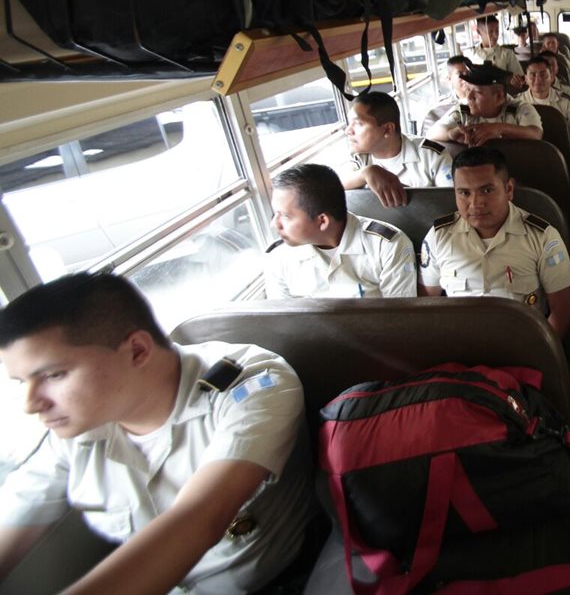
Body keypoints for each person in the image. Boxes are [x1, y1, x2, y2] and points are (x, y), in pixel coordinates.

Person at [0, 273, 313, 594]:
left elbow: (201, 518)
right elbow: (16, 513)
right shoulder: (73, 435)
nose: (31, 405)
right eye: (21, 382)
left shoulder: (253, 387)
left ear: (137, 350)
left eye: (53, 375)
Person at [418, 147, 570, 339]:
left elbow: (562, 312)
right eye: (464, 193)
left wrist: (535, 353)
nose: (475, 203)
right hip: (458, 348)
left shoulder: (543, 237)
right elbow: (426, 302)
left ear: (509, 189)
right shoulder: (438, 237)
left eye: (486, 190)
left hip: (522, 348)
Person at [265, 163, 417, 298]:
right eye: (275, 214)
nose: (274, 224)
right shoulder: (279, 258)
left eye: (285, 216)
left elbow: (398, 317)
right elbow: (282, 321)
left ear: (322, 221)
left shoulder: (387, 246)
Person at [342, 91, 454, 206]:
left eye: (358, 124)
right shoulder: (359, 157)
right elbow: (335, 187)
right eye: (350, 123)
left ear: (388, 129)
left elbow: (452, 202)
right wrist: (366, 173)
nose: (348, 131)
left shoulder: (432, 155)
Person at [426, 62, 544, 146]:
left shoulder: (519, 109)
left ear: (498, 96)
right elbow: (432, 133)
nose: (469, 97)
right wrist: (450, 133)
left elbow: (535, 133)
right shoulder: (463, 110)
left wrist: (499, 128)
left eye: (477, 92)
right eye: (467, 90)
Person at [517, 54, 570, 161]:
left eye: (543, 74)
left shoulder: (566, 102)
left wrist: (565, 160)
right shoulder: (517, 103)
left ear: (552, 77)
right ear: (526, 78)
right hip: (527, 157)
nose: (538, 79)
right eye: (532, 75)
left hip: (561, 155)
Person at [421, 55, 471, 134]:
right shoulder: (437, 110)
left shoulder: (485, 103)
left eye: (468, 73)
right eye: (460, 75)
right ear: (449, 78)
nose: (466, 78)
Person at [475, 15, 523, 88]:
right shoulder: (472, 54)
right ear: (479, 32)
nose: (495, 35)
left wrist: (515, 82)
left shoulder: (507, 54)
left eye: (497, 31)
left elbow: (520, 78)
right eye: (490, 32)